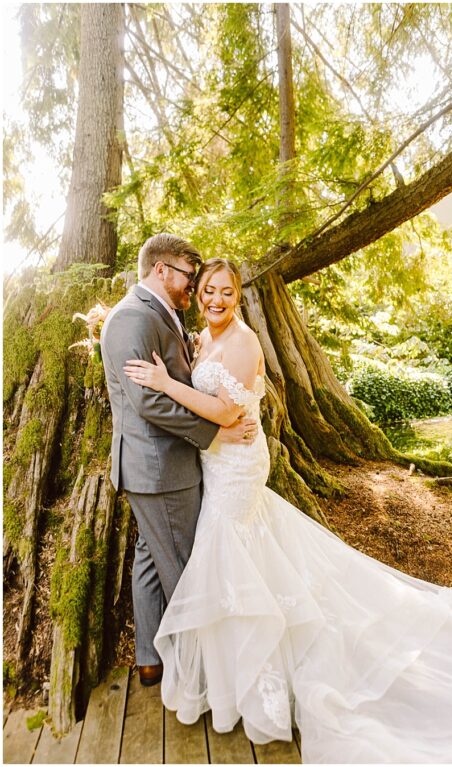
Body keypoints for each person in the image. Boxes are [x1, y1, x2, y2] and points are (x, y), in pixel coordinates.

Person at [122, 258, 452, 763]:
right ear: (197, 295)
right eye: (208, 291)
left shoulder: (242, 342)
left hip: (235, 464)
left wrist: (164, 382)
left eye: (226, 292)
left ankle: (257, 677)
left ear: (238, 296)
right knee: (245, 562)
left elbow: (225, 412)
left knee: (231, 562)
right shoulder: (205, 338)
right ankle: (243, 675)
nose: (216, 300)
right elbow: (213, 399)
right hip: (217, 461)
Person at [100, 234, 257, 689]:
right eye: (191, 278)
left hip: (161, 465)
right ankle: (202, 672)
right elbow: (149, 403)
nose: (195, 289)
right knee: (185, 568)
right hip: (160, 468)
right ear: (162, 270)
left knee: (152, 557)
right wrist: (216, 434)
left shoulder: (159, 312)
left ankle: (150, 659)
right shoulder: (132, 317)